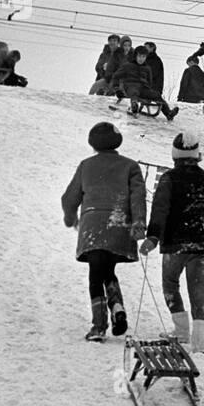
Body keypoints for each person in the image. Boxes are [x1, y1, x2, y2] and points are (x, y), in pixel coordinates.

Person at [61, 122, 147, 341]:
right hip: (119, 226)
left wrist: (70, 218)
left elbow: (69, 198)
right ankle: (117, 306)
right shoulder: (130, 166)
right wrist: (138, 223)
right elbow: (138, 197)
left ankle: (99, 326)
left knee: (95, 274)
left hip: (93, 227)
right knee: (106, 269)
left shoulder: (86, 166)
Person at [140, 131, 204, 354]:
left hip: (177, 243)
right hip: (203, 244)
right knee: (198, 289)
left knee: (170, 283)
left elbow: (160, 209)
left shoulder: (169, 179)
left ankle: (181, 330)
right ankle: (199, 342)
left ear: (175, 155)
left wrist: (153, 236)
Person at [110, 45, 179, 119]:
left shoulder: (147, 68)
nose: (141, 59)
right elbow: (116, 76)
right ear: (135, 56)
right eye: (139, 56)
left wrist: (149, 91)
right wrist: (117, 89)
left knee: (156, 95)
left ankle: (168, 113)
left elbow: (149, 82)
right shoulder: (127, 66)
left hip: (143, 88)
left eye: (143, 57)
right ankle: (134, 106)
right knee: (134, 92)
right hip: (130, 86)